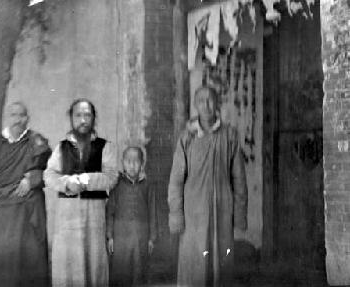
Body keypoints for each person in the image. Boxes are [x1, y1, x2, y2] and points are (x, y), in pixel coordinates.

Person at [167, 86, 248, 287]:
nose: (207, 105)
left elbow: (239, 178)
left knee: (222, 260)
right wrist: (176, 213)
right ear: (195, 105)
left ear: (217, 103)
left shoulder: (229, 135)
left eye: (211, 100)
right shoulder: (187, 137)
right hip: (193, 212)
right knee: (194, 262)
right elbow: (176, 180)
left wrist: (239, 214)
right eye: (201, 100)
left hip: (222, 209)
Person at [0, 102, 51, 287]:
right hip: (1, 211)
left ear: (28, 118)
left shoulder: (37, 142)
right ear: (8, 118)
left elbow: (51, 170)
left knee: (28, 262)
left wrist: (31, 179)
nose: (18, 120)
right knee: (1, 263)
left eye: (22, 115)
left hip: (27, 211)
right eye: (14, 115)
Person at [44, 98, 118, 287]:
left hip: (94, 216)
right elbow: (49, 175)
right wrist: (67, 183)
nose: (83, 120)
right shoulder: (61, 147)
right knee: (68, 265)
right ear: (71, 118)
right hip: (67, 218)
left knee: (93, 264)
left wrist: (87, 181)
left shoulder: (105, 146)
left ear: (94, 118)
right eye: (78, 115)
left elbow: (111, 177)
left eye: (87, 115)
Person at [106, 146, 157, 286]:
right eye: (128, 161)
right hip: (121, 236)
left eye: (136, 161)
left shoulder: (148, 185)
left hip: (141, 236)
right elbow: (110, 210)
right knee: (121, 270)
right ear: (123, 163)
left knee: (139, 270)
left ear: (142, 163)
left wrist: (152, 238)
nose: (132, 165)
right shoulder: (116, 184)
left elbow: (152, 211)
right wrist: (110, 236)